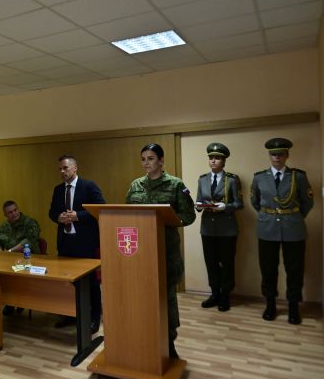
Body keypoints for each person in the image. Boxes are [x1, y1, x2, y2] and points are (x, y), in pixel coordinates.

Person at [125, 143, 196, 358]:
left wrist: (167, 220)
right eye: (143, 159)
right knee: (142, 300)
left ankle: (169, 343)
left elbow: (189, 216)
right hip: (140, 255)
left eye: (151, 158)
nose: (146, 163)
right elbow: (127, 214)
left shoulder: (175, 185)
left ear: (161, 160)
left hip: (166, 253)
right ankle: (145, 341)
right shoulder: (136, 185)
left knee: (166, 301)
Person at [250, 138, 313, 325]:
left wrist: (293, 216)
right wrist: (270, 215)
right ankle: (270, 304)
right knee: (268, 268)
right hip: (266, 228)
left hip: (293, 228)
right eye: (273, 154)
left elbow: (307, 202)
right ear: (269, 155)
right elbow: (255, 202)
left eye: (280, 154)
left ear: (287, 155)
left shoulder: (298, 177)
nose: (276, 157)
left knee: (295, 269)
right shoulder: (259, 177)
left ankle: (293, 307)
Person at [49, 155, 105, 333]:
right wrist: (59, 217)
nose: (62, 171)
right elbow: (52, 212)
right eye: (60, 169)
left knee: (90, 283)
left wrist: (78, 216)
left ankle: (94, 317)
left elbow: (101, 208)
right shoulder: (58, 189)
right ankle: (70, 314)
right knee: (67, 282)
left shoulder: (88, 186)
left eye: (65, 168)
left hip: (85, 243)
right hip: (65, 242)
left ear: (75, 168)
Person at [195, 143, 243, 312]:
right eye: (211, 158)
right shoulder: (202, 179)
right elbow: (199, 200)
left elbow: (239, 203)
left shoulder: (232, 179)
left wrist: (225, 207)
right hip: (208, 228)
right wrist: (198, 206)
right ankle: (214, 294)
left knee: (227, 263)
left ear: (224, 161)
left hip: (227, 229)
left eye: (217, 158)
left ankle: (225, 296)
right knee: (211, 262)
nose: (213, 161)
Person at [0, 200, 41, 316]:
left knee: (19, 276)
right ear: (5, 215)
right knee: (1, 275)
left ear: (18, 209)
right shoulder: (4, 226)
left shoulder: (30, 223)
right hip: (10, 261)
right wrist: (0, 252)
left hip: (30, 260)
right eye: (10, 212)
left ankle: (21, 301)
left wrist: (10, 251)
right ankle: (9, 302)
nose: (14, 213)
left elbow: (28, 241)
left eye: (15, 210)